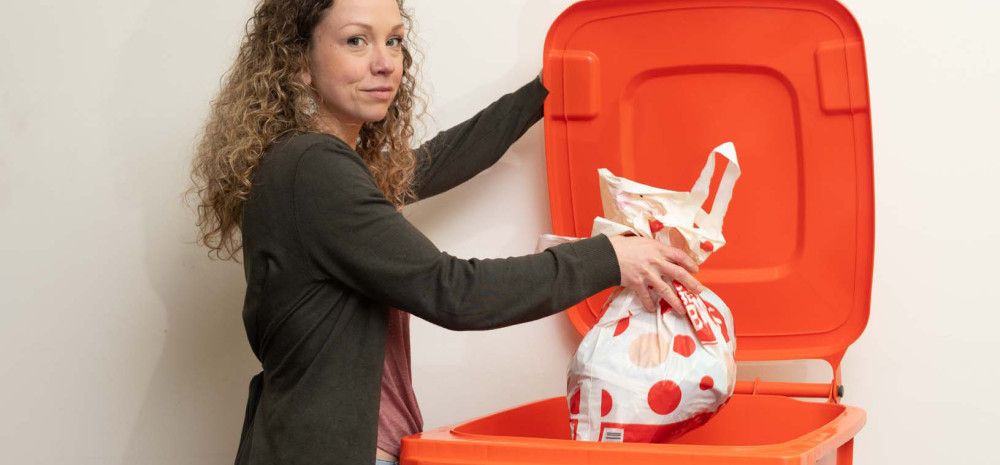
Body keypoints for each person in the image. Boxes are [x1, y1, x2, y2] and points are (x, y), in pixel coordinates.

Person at [189, 0, 703, 464]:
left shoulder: (313, 166)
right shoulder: (313, 168)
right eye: (356, 40)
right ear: (298, 63)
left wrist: (543, 93)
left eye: (394, 40)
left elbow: (436, 161)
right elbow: (454, 292)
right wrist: (609, 258)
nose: (385, 62)